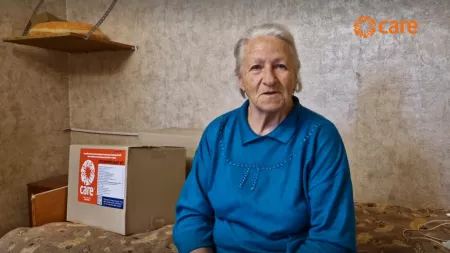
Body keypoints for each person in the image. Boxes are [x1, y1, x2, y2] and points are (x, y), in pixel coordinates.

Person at [172, 23, 357, 253]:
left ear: (295, 76)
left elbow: (331, 240)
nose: (269, 79)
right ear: (241, 80)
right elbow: (192, 215)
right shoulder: (217, 133)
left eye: (280, 66)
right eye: (256, 68)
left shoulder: (320, 137)